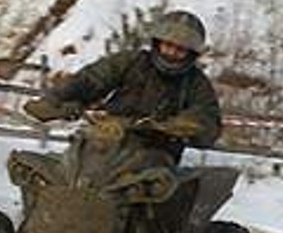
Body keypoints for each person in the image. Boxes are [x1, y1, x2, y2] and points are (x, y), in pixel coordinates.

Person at [21, 9, 222, 166]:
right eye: (168, 45)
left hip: (156, 151)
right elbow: (92, 79)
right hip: (106, 139)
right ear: (157, 42)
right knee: (62, 170)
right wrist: (57, 100)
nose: (171, 52)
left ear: (190, 54)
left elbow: (209, 121)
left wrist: (187, 125)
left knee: (154, 195)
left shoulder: (196, 82)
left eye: (180, 49)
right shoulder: (131, 61)